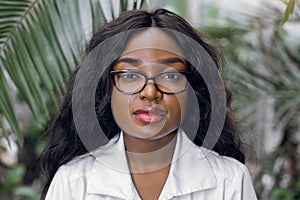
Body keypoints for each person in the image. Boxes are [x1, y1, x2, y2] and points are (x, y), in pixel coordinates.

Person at [40, 8, 257, 200]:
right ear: (106, 88)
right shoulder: (74, 182)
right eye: (130, 75)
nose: (150, 93)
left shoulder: (229, 180)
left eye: (170, 76)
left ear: (193, 90)